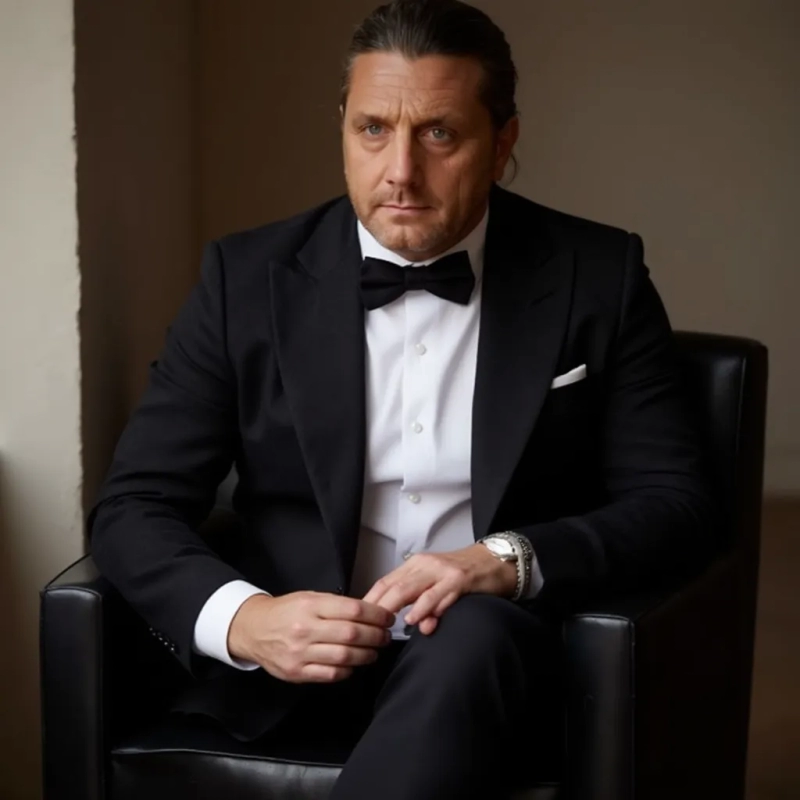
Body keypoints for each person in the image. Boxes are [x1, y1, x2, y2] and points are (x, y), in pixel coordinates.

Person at [89, 0, 716, 797]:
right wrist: (246, 621)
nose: (400, 173)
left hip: (498, 664)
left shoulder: (598, 275)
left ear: (503, 143)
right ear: (342, 130)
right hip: (289, 678)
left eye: (440, 134)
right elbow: (134, 505)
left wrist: (509, 561)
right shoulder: (242, 281)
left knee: (474, 631)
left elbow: (675, 502)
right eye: (373, 130)